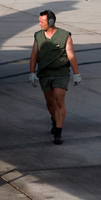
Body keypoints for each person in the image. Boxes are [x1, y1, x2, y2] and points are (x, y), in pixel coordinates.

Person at [28, 10, 81, 145]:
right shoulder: (38, 36)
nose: (39, 24)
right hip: (45, 73)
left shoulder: (65, 36)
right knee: (50, 102)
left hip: (60, 73)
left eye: (42, 22)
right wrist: (31, 72)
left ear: (50, 22)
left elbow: (71, 55)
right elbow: (34, 55)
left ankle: (58, 131)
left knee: (58, 101)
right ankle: (54, 119)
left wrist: (76, 74)